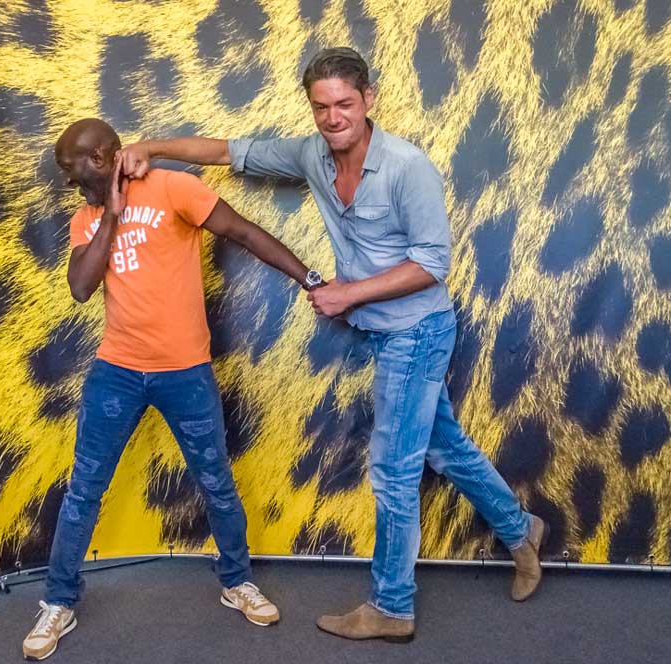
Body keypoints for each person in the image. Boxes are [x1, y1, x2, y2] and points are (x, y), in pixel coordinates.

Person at [119, 47, 547, 643]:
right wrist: (150, 146)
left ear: (368, 99)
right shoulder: (311, 155)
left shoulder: (408, 167)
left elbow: (432, 263)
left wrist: (349, 294)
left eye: (344, 103)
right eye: (321, 106)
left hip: (418, 330)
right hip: (382, 332)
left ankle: (392, 606)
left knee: (393, 471)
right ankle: (520, 530)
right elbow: (226, 150)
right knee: (442, 447)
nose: (333, 117)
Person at [22, 118, 324, 660]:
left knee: (216, 482)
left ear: (102, 158)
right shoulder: (86, 219)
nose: (67, 181)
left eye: (71, 168)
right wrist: (111, 216)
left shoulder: (173, 188)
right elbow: (81, 287)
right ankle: (58, 602)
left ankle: (237, 582)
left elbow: (244, 233)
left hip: (186, 371)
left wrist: (311, 279)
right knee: (84, 490)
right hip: (116, 372)